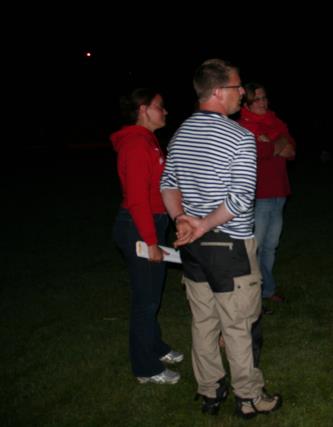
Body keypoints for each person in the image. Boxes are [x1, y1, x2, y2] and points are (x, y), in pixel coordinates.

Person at [160, 59, 282, 418]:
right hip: (229, 248)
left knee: (204, 323)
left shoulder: (180, 134)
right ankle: (249, 397)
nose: (241, 93)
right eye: (236, 86)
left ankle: (211, 391)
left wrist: (182, 219)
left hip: (194, 248)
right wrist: (201, 224)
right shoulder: (238, 136)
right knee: (238, 325)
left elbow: (167, 184)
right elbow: (241, 199)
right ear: (216, 91)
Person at [111, 88, 183, 385]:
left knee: (152, 295)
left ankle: (155, 346)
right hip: (140, 227)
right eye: (159, 106)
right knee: (146, 301)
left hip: (151, 223)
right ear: (142, 109)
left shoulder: (147, 141)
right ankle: (146, 368)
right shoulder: (136, 145)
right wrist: (151, 242)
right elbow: (138, 200)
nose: (165, 111)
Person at [238, 82, 296, 307]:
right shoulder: (244, 125)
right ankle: (251, 291)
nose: (262, 103)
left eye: (264, 98)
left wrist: (272, 144)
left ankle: (266, 289)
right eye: (257, 100)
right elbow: (257, 152)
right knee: (256, 246)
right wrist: (276, 144)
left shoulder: (275, 121)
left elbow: (291, 149)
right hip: (259, 193)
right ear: (247, 104)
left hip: (279, 191)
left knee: (271, 245)